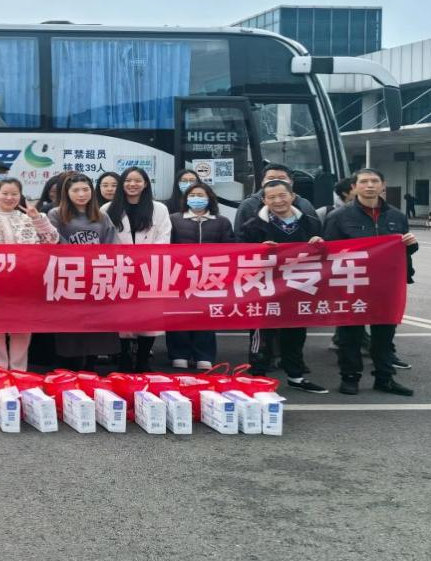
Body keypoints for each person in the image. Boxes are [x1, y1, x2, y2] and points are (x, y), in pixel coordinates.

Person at [324, 168, 418, 396]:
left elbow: (402, 252)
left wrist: (411, 245)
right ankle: (350, 377)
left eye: (374, 181)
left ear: (383, 185)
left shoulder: (397, 216)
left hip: (386, 285)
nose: (369, 186)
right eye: (364, 181)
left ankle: (384, 378)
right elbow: (327, 253)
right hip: (351, 283)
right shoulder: (339, 217)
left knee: (384, 334)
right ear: (354, 187)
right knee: (350, 334)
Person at [240, 179, 329, 393]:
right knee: (262, 333)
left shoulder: (310, 223)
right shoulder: (252, 225)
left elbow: (327, 254)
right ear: (264, 200)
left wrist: (320, 245)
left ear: (292, 196)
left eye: (282, 195)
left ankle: (295, 376)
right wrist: (258, 249)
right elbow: (240, 254)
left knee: (296, 332)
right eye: (271, 197)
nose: (278, 201)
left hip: (298, 286)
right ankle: (258, 377)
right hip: (265, 287)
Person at [0, 177, 59, 369]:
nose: (9, 198)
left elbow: (52, 240)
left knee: (22, 328)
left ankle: (19, 370)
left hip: (25, 281)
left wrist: (37, 218)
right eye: (5, 193)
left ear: (20, 196)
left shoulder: (29, 218)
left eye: (14, 194)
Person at [47, 173, 120, 368]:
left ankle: (91, 370)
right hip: (69, 278)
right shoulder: (56, 214)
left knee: (95, 327)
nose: (81, 194)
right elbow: (54, 241)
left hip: (96, 278)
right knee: (70, 329)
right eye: (76, 190)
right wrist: (80, 259)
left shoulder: (102, 216)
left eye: (86, 189)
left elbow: (113, 245)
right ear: (67, 193)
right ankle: (68, 371)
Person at [103, 166, 171, 371]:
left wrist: (144, 259)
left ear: (146, 184)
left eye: (138, 180)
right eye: (128, 181)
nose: (132, 184)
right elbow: (104, 241)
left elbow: (164, 237)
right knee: (121, 317)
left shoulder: (159, 209)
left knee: (148, 316)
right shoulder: (107, 209)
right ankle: (123, 357)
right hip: (119, 269)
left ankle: (143, 359)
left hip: (149, 269)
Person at [167, 182, 232, 370]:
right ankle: (179, 353)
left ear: (210, 198)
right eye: (192, 195)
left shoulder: (221, 222)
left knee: (205, 315)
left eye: (201, 195)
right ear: (186, 198)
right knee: (179, 314)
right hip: (180, 275)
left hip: (210, 276)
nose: (196, 198)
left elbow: (230, 248)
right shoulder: (174, 219)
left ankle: (204, 354)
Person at [234, 163, 316, 230]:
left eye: (281, 178)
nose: (276, 181)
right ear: (262, 183)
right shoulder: (248, 205)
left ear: (291, 183)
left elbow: (314, 231)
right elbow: (240, 238)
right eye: (271, 178)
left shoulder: (304, 204)